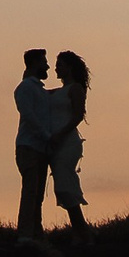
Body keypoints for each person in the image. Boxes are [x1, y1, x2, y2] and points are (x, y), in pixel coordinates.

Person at [41, 50, 91, 235]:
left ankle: (82, 232)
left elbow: (78, 115)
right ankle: (82, 231)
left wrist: (61, 134)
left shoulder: (75, 89)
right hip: (55, 142)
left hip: (67, 142)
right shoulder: (56, 91)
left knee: (64, 184)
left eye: (60, 64)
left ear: (69, 67)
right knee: (61, 187)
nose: (56, 68)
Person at [13, 48, 55, 238]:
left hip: (39, 148)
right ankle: (25, 235)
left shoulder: (38, 90)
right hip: (29, 147)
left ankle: (35, 234)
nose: (47, 66)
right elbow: (28, 115)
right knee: (30, 192)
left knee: (37, 195)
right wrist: (46, 135)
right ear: (35, 63)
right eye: (44, 61)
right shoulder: (25, 88)